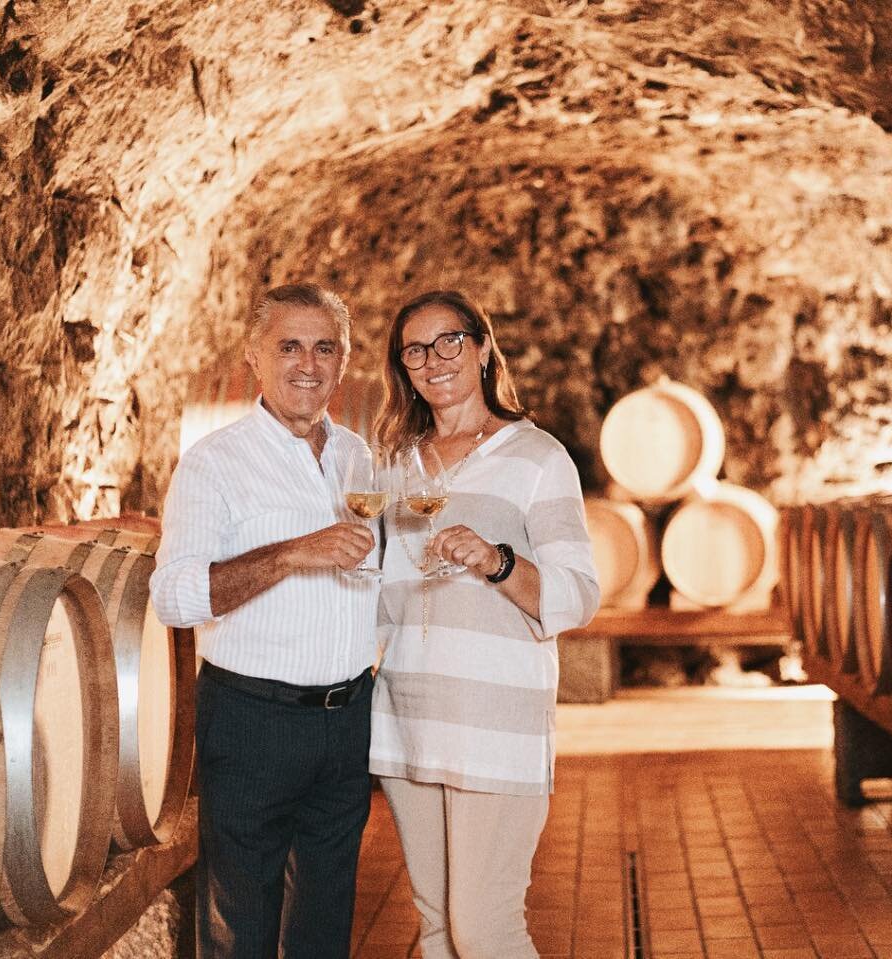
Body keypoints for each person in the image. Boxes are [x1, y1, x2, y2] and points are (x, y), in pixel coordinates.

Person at [149, 283, 379, 958]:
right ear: (254, 355)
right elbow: (174, 597)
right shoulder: (213, 464)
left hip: (347, 718)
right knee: (239, 929)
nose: (308, 364)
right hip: (254, 721)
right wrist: (290, 553)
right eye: (289, 346)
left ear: (343, 360)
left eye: (325, 347)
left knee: (324, 925)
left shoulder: (358, 457)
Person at [371, 290, 600, 959]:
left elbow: (579, 594)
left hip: (495, 719)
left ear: (481, 348)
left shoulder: (537, 456)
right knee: (438, 928)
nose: (434, 359)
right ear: (402, 367)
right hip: (408, 715)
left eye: (450, 341)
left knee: (484, 929)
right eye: (416, 350)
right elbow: (386, 596)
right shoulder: (397, 464)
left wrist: (498, 561)